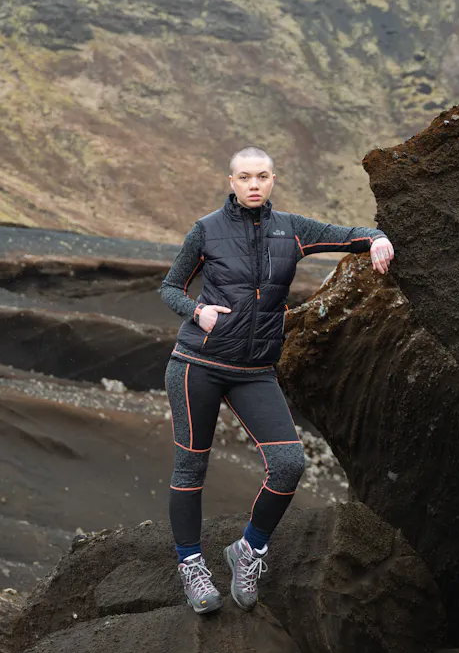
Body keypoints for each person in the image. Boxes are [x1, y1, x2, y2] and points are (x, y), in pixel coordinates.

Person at [159, 146, 394, 613]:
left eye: (261, 176)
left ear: (272, 180)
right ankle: (191, 566)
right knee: (191, 468)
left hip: (255, 372)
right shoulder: (206, 230)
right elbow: (170, 286)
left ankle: (249, 550)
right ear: (231, 181)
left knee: (289, 465)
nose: (253, 184)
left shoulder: (293, 229)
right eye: (244, 177)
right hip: (196, 366)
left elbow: (347, 235)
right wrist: (197, 311)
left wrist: (377, 238)